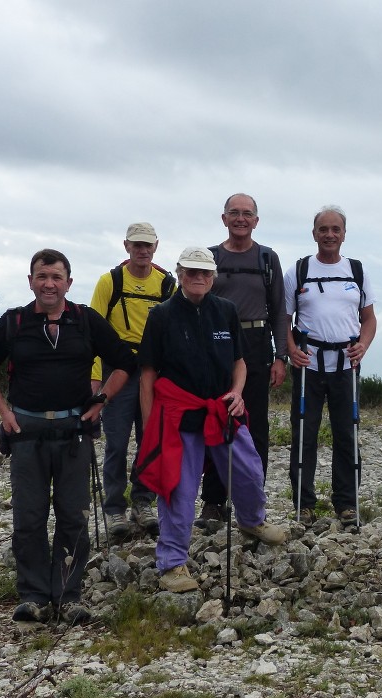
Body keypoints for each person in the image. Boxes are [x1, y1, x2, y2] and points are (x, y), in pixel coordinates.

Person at [0, 249, 136, 625]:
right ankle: (34, 596)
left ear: (68, 283)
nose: (49, 284)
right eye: (42, 276)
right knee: (29, 516)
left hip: (74, 430)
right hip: (26, 431)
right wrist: (4, 412)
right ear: (30, 281)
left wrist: (102, 402)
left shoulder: (87, 321)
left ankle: (69, 595)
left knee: (73, 515)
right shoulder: (14, 322)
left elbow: (125, 361)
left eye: (56, 277)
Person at [135, 247, 287, 594]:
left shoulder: (226, 311)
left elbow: (240, 361)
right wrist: (148, 430)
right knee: (179, 488)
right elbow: (147, 374)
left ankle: (252, 521)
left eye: (204, 272)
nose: (198, 278)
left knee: (248, 469)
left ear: (213, 276)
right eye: (191, 272)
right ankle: (172, 562)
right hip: (178, 414)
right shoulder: (161, 316)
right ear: (179, 274)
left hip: (221, 409)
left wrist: (237, 392)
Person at [195, 193, 287, 528]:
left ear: (256, 221)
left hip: (257, 341)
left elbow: (278, 310)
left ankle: (252, 500)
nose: (240, 219)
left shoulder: (267, 258)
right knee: (217, 420)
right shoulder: (210, 257)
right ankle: (214, 502)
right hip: (216, 343)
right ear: (223, 218)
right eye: (234, 213)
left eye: (247, 214)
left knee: (255, 425)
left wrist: (281, 357)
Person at [284, 205, 376, 526]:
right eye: (323, 229)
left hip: (346, 365)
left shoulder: (357, 271)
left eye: (335, 229)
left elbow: (369, 319)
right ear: (314, 234)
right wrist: (291, 349)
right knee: (304, 435)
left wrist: (363, 344)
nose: (329, 235)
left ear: (344, 234)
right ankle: (303, 505)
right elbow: (284, 319)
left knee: (346, 434)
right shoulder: (298, 271)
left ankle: (347, 504)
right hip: (309, 364)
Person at [89, 222, 176, 538]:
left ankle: (143, 501)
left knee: (149, 439)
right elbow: (93, 333)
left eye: (147, 245)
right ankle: (114, 509)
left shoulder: (167, 284)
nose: (142, 250)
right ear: (126, 246)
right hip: (119, 369)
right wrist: (95, 379)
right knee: (116, 441)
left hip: (153, 370)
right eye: (136, 245)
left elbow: (176, 332)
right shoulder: (109, 282)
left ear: (156, 247)